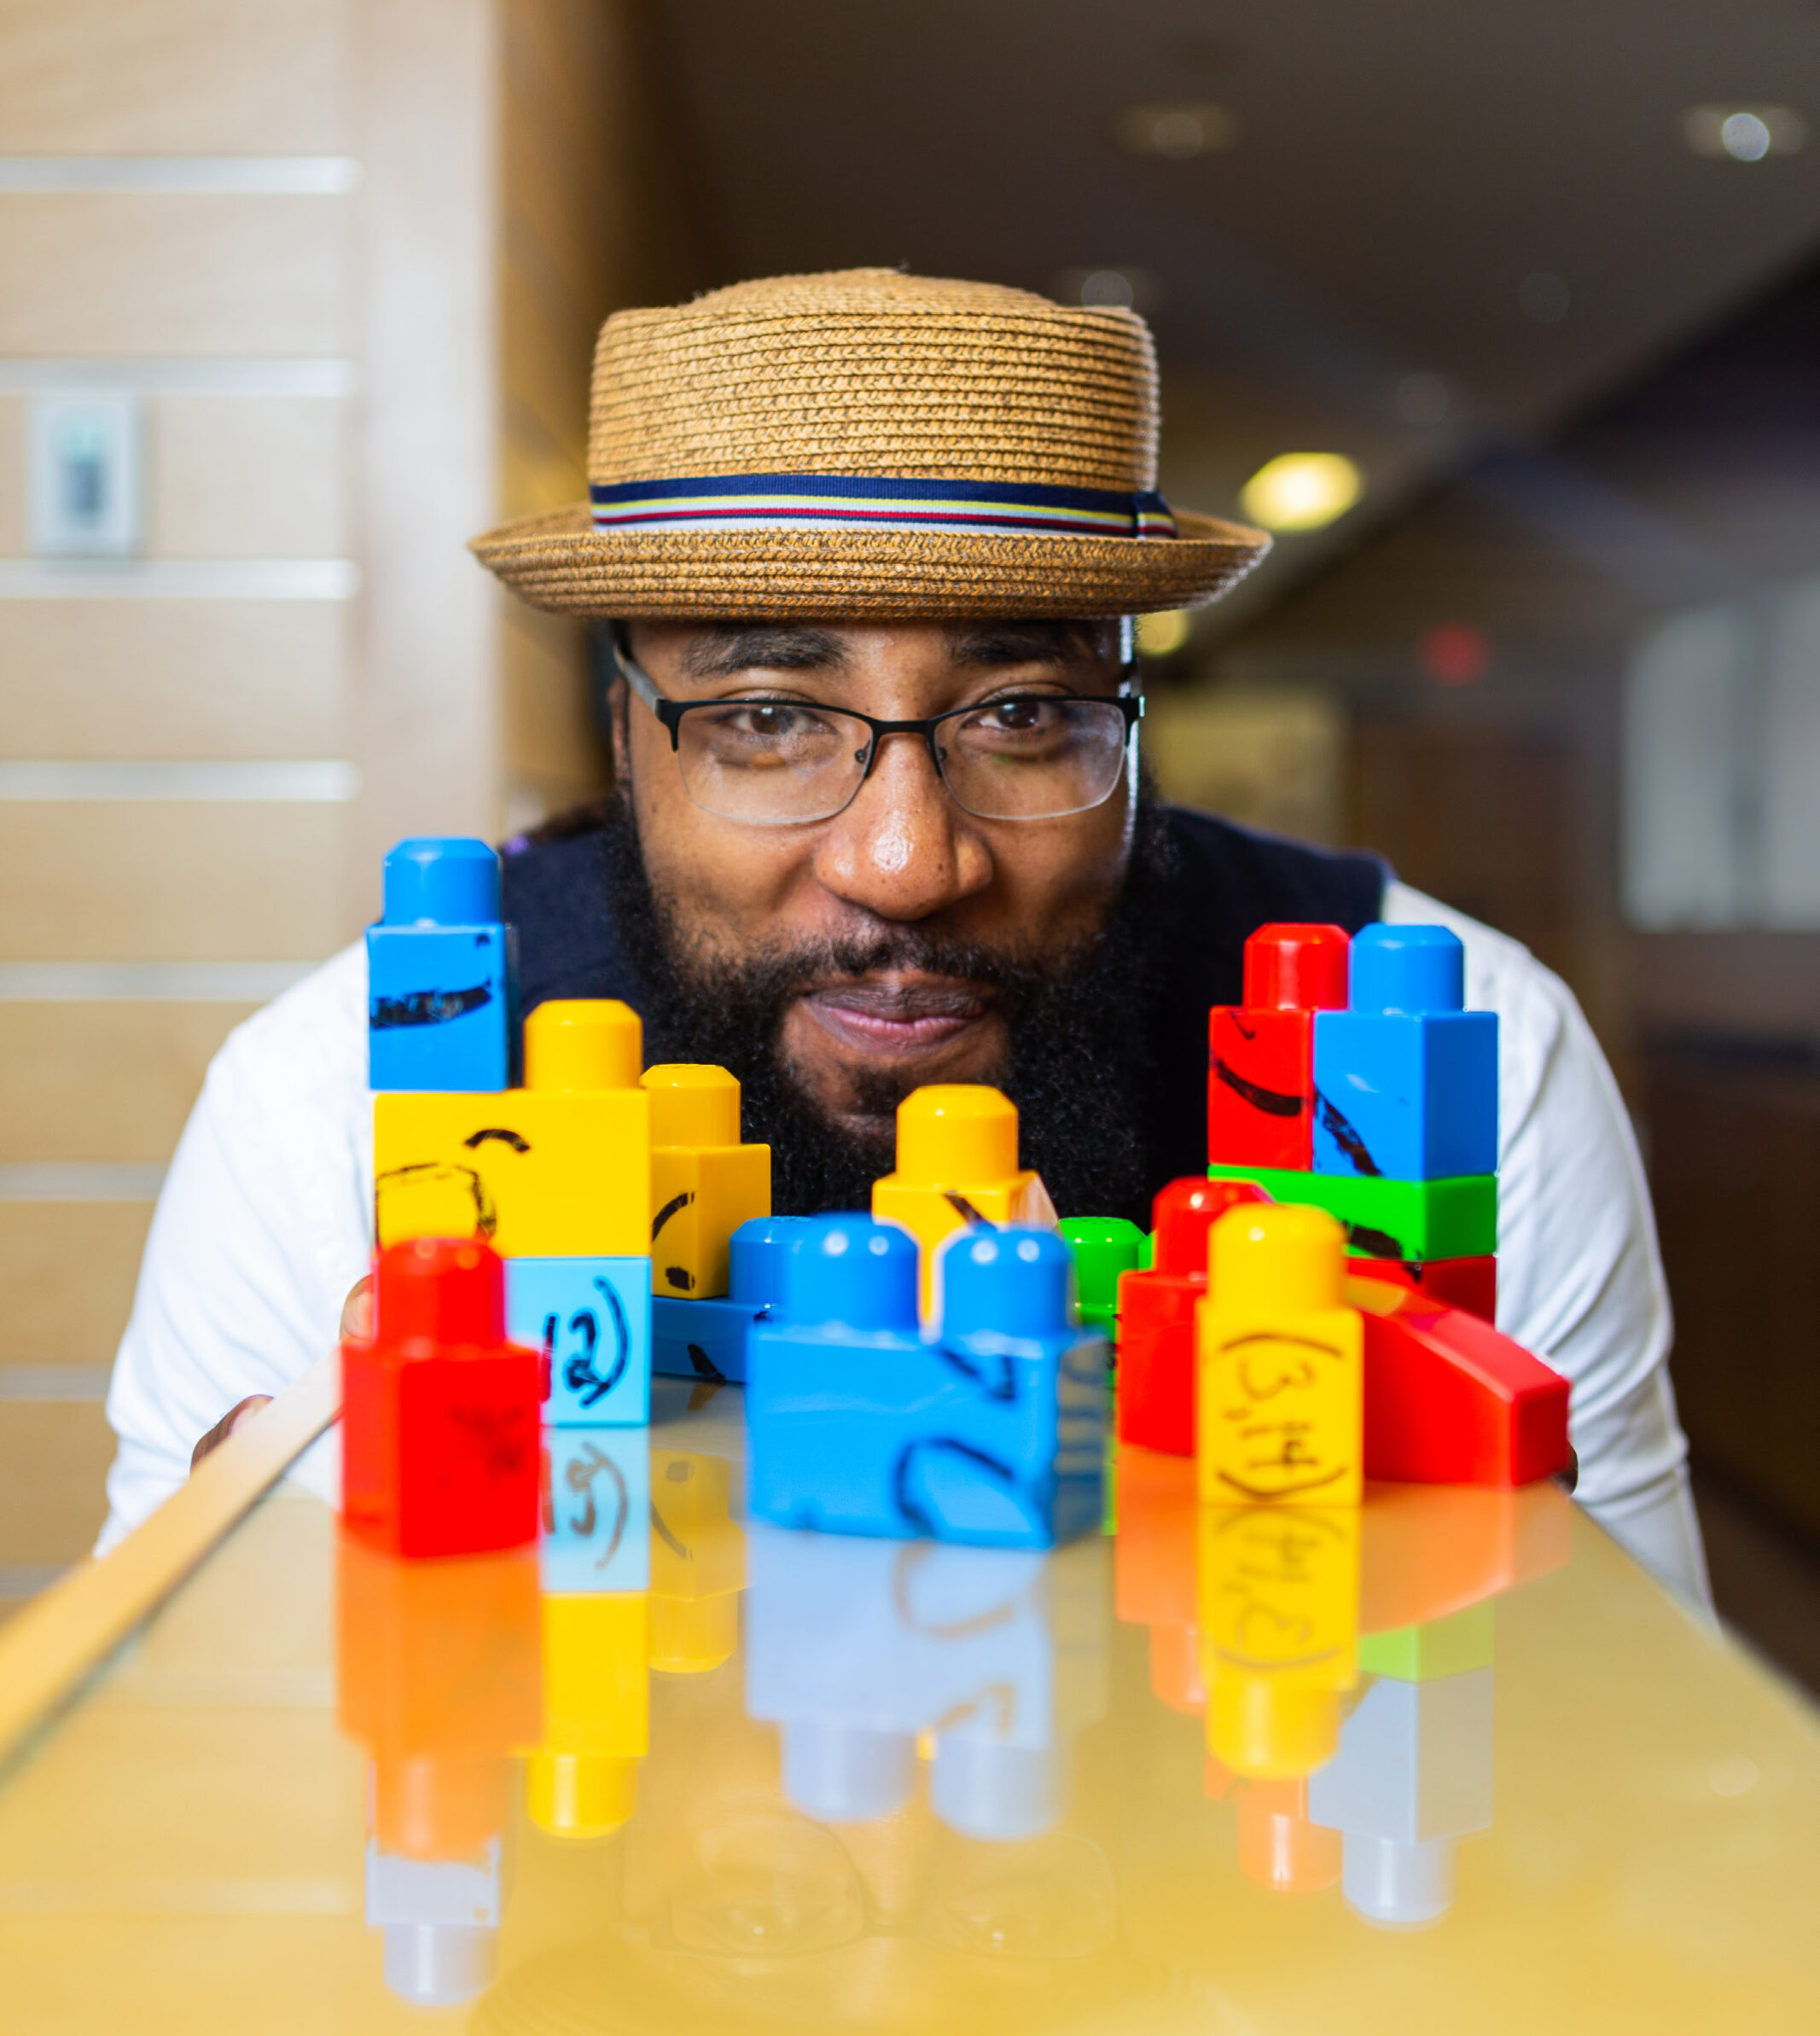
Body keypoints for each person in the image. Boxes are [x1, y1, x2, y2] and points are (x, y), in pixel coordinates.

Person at [99, 270, 1707, 1599]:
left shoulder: (1459, 1045)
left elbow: (1627, 1751)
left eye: (1023, 712)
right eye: (766, 718)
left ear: (1138, 722)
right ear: (621, 739)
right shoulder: (332, 1094)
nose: (905, 863)